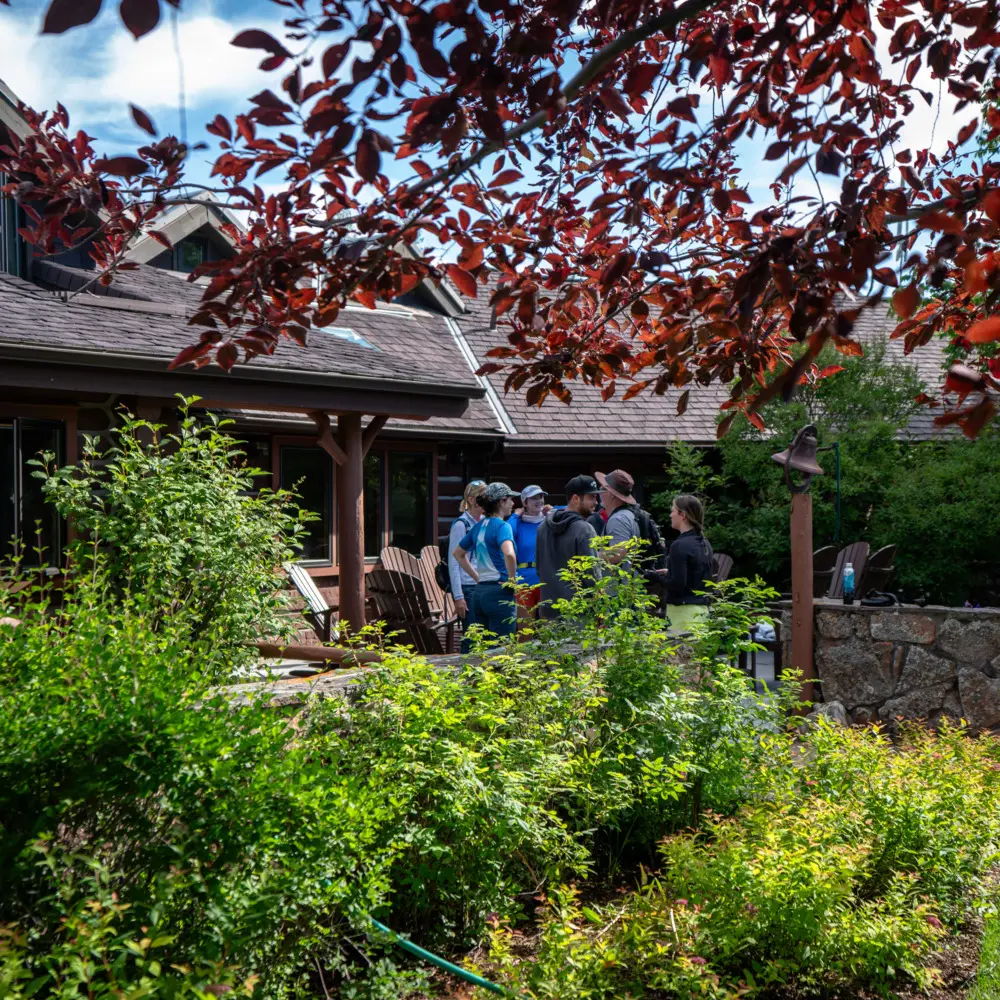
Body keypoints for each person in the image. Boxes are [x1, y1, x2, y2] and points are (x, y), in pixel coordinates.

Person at [452, 482, 520, 640]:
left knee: (482, 649)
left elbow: (458, 553)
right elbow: (509, 554)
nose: (513, 503)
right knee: (502, 650)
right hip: (499, 593)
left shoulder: (478, 526)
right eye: (510, 499)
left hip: (479, 594)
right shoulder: (502, 526)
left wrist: (477, 578)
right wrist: (512, 580)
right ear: (501, 501)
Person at [535, 475, 602, 620]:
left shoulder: (542, 528)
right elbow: (592, 574)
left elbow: (539, 569)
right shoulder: (585, 529)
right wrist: (600, 604)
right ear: (576, 499)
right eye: (591, 497)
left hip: (549, 611)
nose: (596, 502)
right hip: (579, 613)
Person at [664, 494, 715, 635]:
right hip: (702, 612)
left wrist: (655, 578)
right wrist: (669, 572)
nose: (670, 515)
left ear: (683, 515)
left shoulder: (679, 545)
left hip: (682, 614)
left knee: (680, 656)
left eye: (673, 510)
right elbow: (694, 576)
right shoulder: (705, 543)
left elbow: (677, 585)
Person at [447, 480, 486, 653]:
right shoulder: (461, 525)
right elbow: (454, 562)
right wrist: (458, 597)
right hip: (468, 588)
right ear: (471, 500)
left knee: (484, 636)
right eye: (483, 496)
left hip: (484, 585)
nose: (487, 500)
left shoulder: (486, 522)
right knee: (471, 637)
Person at [507, 485, 547, 622]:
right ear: (524, 503)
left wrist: (552, 512)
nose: (539, 501)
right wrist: (515, 515)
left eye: (541, 497)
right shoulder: (518, 523)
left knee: (548, 629)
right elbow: (507, 532)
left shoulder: (549, 521)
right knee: (525, 631)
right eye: (534, 498)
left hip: (545, 580)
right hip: (523, 581)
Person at [595, 469, 640, 567]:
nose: (599, 493)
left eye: (602, 489)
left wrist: (591, 556)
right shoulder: (626, 514)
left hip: (619, 581)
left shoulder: (618, 519)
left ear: (611, 494)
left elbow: (617, 555)